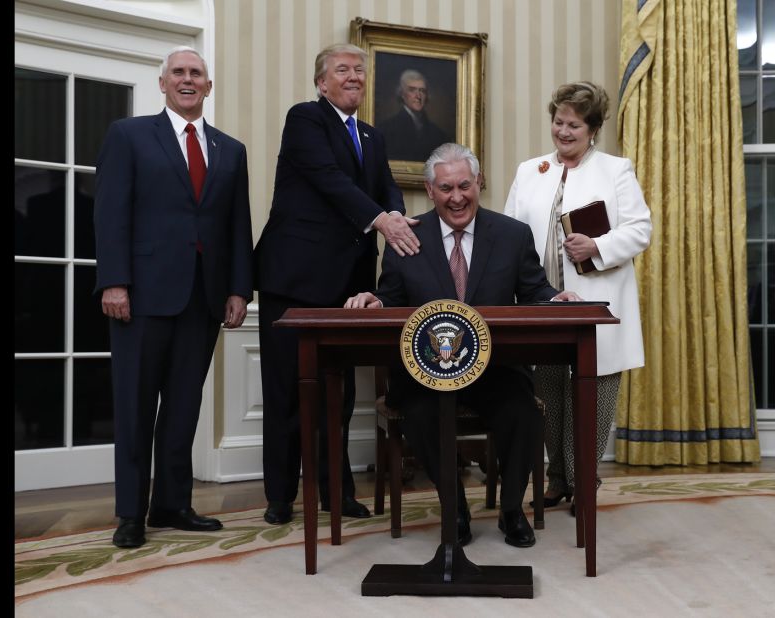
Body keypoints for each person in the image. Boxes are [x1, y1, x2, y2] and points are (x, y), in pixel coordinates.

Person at [346, 143, 582, 547]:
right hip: (426, 374)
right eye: (445, 188)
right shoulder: (407, 237)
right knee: (419, 413)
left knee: (522, 411)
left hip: (495, 369)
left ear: (479, 183)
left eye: (464, 186)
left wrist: (555, 299)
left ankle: (511, 510)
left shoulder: (511, 235)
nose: (456, 197)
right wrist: (375, 301)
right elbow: (393, 297)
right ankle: (454, 508)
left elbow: (535, 290)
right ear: (430, 190)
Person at [254, 43, 421, 525]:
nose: (354, 77)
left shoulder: (372, 135)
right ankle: (281, 496)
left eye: (360, 71)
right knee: (287, 391)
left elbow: (387, 186)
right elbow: (328, 179)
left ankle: (336, 492)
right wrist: (380, 222)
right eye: (342, 70)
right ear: (321, 82)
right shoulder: (305, 118)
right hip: (294, 279)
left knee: (339, 394)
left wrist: (396, 215)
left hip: (348, 284)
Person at [94, 46, 254, 548]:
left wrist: (237, 290)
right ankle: (130, 514)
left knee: (184, 408)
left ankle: (172, 504)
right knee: (136, 407)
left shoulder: (231, 150)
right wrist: (114, 281)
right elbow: (111, 213)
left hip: (203, 298)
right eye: (179, 73)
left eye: (197, 74)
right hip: (141, 296)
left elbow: (236, 225)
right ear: (162, 83)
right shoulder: (129, 135)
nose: (188, 80)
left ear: (208, 87)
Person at [503, 81, 652, 515]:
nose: (563, 132)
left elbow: (640, 229)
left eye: (574, 125)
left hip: (597, 305)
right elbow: (511, 234)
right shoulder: (530, 170)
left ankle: (585, 482)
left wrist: (598, 246)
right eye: (558, 122)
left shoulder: (616, 170)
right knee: (548, 395)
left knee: (593, 396)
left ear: (592, 129)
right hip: (545, 304)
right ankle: (557, 479)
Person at [377, 69, 449, 162]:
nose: (418, 96)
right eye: (412, 90)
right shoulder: (386, 129)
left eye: (422, 91)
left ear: (426, 95)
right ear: (402, 94)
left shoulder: (438, 134)